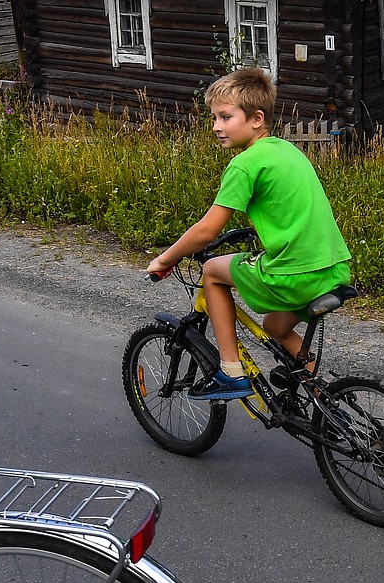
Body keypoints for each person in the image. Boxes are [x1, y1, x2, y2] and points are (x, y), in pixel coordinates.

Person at [146, 67, 351, 400]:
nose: (216, 127)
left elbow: (206, 231)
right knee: (275, 327)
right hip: (333, 269)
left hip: (293, 276)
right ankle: (325, 402)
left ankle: (231, 372)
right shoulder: (288, 151)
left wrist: (165, 259)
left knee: (212, 272)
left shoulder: (244, 164)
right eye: (214, 118)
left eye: (225, 117)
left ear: (256, 118)